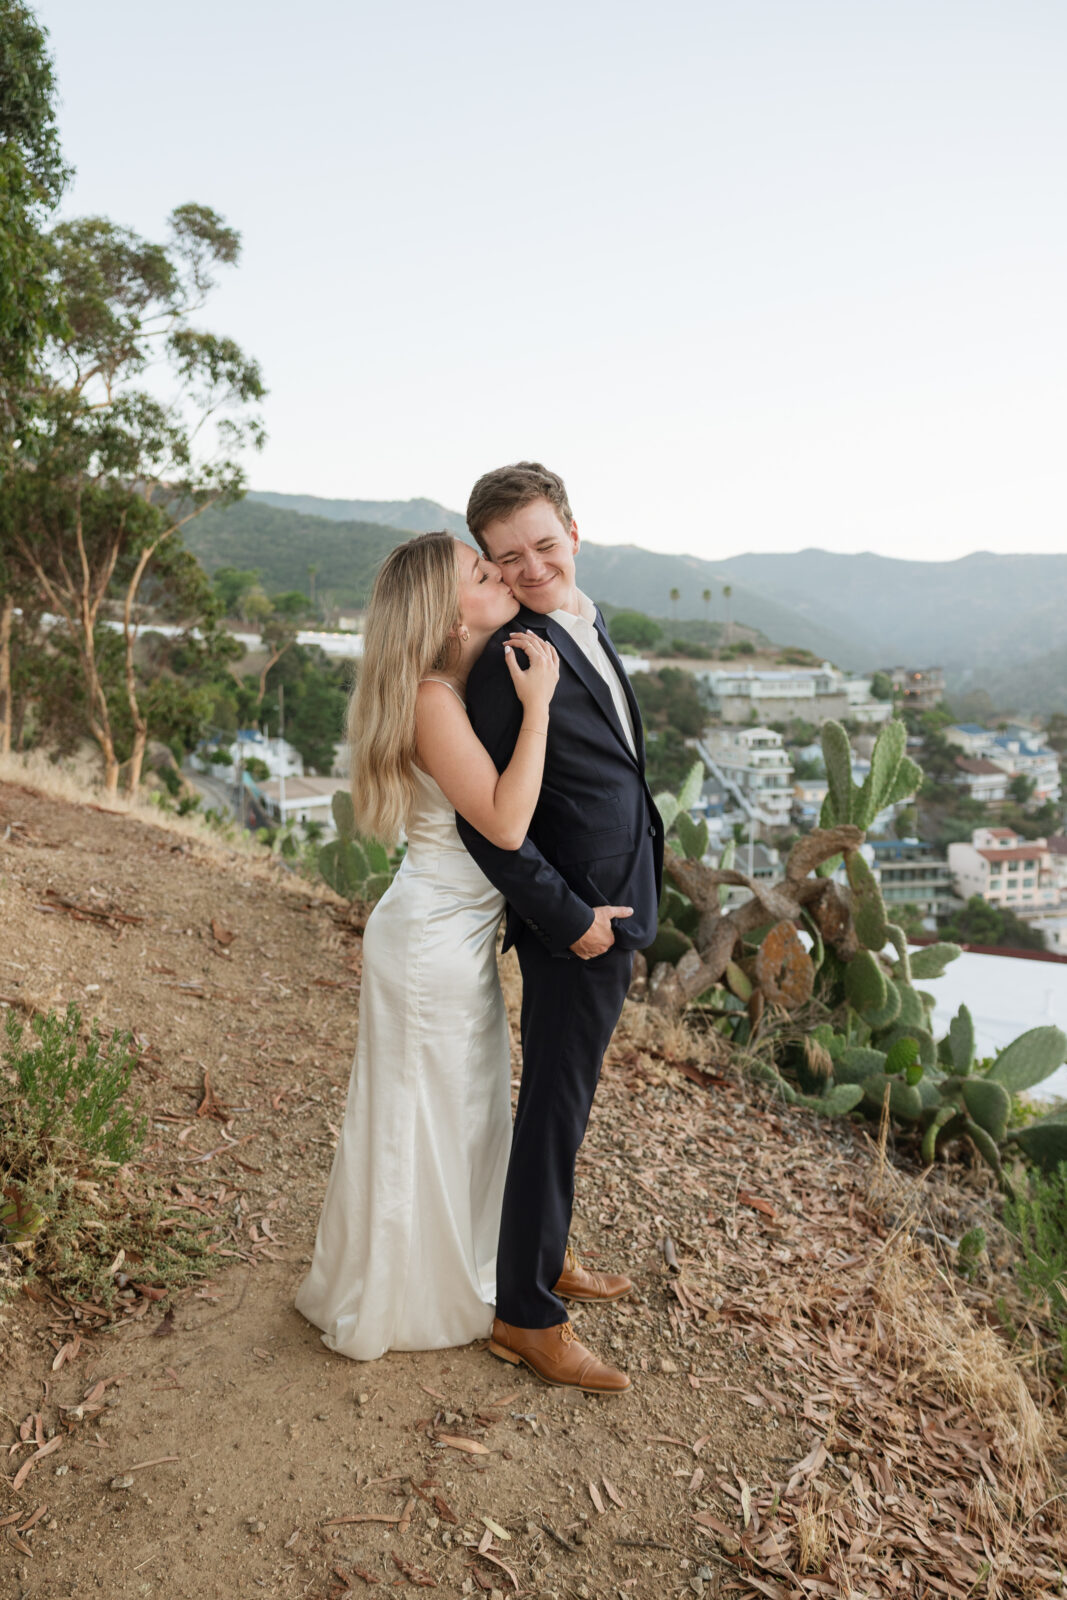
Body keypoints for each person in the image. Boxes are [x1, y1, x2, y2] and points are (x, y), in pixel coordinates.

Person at [295, 532, 559, 1360]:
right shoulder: (433, 699)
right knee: (426, 1117)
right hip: (431, 946)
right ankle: (406, 1300)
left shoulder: (446, 687)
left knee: (462, 1113)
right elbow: (507, 823)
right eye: (481, 573)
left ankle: (454, 1270)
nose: (499, 575)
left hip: (444, 939)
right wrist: (542, 707)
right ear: (448, 618)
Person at [456, 461, 664, 1396]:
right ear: (490, 568)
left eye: (544, 545)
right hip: (576, 922)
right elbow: (487, 825)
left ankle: (540, 1254)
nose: (532, 567)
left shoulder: (585, 619)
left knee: (564, 1107)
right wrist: (571, 919)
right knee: (552, 1108)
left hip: (614, 901)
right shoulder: (512, 657)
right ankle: (526, 1316)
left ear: (573, 534)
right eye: (509, 557)